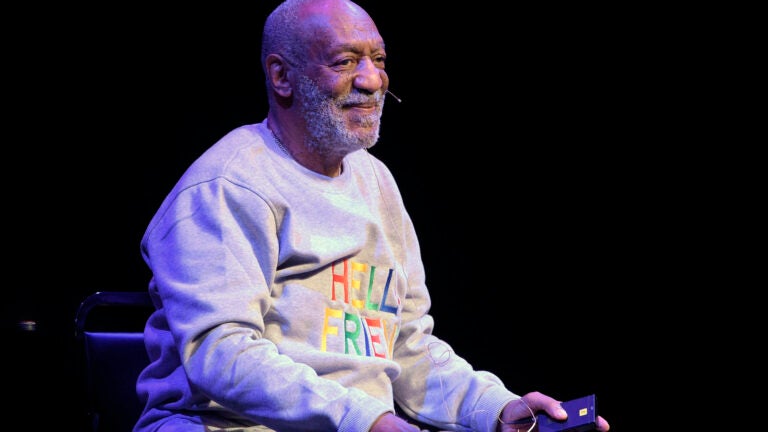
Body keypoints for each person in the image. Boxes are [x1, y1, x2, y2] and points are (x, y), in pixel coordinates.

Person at [134, 0, 611, 431]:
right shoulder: (227, 186)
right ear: (281, 76)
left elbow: (408, 345)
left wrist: (499, 411)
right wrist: (367, 420)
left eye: (378, 60)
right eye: (345, 62)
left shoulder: (375, 180)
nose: (371, 81)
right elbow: (221, 354)